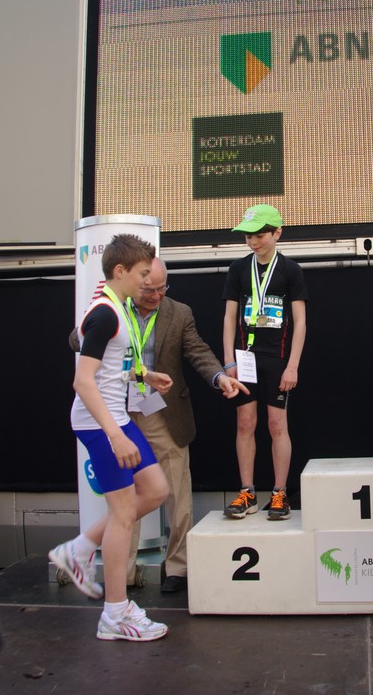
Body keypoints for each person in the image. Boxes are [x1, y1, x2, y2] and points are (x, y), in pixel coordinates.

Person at [49, 234, 172, 642]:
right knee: (122, 515)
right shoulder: (105, 314)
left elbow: (109, 366)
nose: (147, 282)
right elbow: (83, 381)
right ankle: (115, 614)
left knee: (155, 490)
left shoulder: (116, 307)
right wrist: (115, 435)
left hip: (115, 419)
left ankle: (79, 548)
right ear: (120, 271)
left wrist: (145, 374)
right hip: (100, 424)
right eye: (142, 274)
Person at [123, 257, 248, 592]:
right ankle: (123, 571)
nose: (156, 295)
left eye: (162, 288)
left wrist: (219, 377)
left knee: (176, 492)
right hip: (118, 414)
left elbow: (198, 352)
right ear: (134, 283)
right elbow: (78, 340)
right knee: (126, 494)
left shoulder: (179, 313)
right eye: (149, 290)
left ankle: (178, 567)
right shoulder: (113, 309)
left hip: (161, 411)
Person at [222, 204, 307, 520]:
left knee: (276, 424)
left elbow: (300, 322)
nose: (253, 241)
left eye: (259, 235)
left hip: (278, 358)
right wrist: (228, 361)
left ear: (277, 233)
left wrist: (293, 365)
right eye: (248, 236)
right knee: (245, 422)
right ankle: (247, 492)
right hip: (245, 358)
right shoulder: (238, 269)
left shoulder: (290, 270)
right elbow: (229, 318)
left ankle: (279, 494)